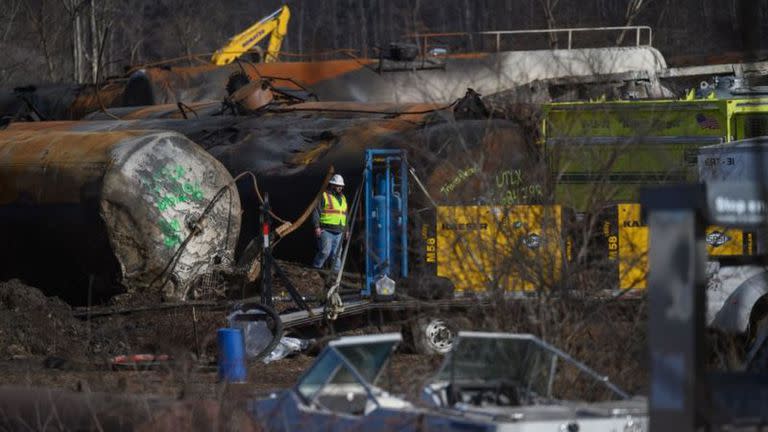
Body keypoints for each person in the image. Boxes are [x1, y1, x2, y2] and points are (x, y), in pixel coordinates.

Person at [312, 174, 348, 272]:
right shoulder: (324, 195)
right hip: (326, 230)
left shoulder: (343, 198)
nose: (340, 187)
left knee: (337, 255)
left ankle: (336, 276)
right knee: (324, 252)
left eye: (341, 186)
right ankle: (316, 269)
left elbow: (345, 215)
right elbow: (316, 211)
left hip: (339, 231)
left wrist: (347, 230)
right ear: (332, 185)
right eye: (337, 185)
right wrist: (317, 227)